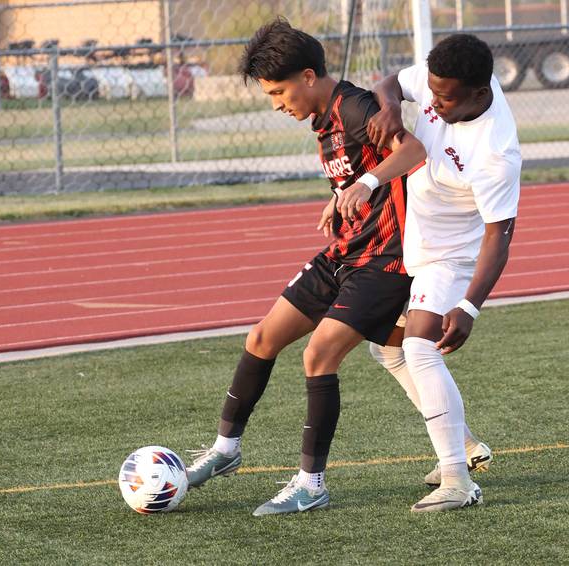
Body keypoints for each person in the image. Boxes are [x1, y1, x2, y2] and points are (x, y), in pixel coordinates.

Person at [185, 18, 426, 516]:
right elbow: (354, 171)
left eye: (279, 91)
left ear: (310, 76)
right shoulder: (320, 117)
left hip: (385, 261)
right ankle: (225, 451)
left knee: (318, 356)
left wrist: (366, 184)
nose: (276, 103)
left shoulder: (356, 107)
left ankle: (310, 484)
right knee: (261, 338)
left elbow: (414, 150)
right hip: (343, 252)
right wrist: (342, 196)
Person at [366, 33, 522, 512]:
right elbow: (388, 81)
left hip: (451, 259)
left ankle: (457, 480)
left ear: (480, 93)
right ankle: (467, 446)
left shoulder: (497, 153)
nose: (434, 103)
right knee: (385, 349)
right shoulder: (447, 81)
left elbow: (500, 236)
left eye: (445, 97)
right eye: (431, 93)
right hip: (414, 245)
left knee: (418, 348)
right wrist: (390, 105)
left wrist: (470, 305)